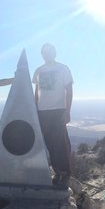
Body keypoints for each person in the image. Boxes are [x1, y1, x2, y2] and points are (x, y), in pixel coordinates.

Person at [32, 43, 74, 187]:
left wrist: (67, 111)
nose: (47, 54)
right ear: (42, 54)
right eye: (44, 52)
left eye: (49, 51)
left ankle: (65, 174)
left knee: (61, 143)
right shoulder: (38, 70)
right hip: (42, 112)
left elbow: (69, 90)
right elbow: (37, 92)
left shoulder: (63, 68)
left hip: (58, 110)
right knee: (50, 143)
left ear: (54, 52)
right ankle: (57, 172)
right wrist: (34, 110)